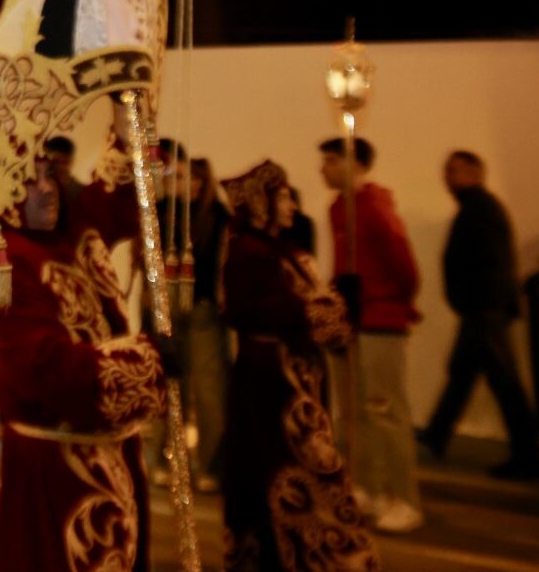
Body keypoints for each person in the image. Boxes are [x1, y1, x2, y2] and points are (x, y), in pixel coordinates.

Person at [0, 105, 168, 572]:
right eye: (30, 181)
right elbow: (45, 368)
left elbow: (119, 199)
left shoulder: (71, 232)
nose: (47, 190)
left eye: (51, 176)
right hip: (55, 472)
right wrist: (148, 359)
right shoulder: (7, 266)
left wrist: (126, 124)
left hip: (113, 455)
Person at [218, 159, 378, 571]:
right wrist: (320, 309)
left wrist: (342, 305)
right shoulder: (246, 251)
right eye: (283, 196)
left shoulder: (288, 250)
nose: (292, 203)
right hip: (268, 383)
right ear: (259, 203)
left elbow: (316, 309)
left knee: (309, 468)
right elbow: (254, 310)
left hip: (297, 379)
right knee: (279, 472)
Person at [417, 151, 539, 478]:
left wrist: (477, 305)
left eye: (453, 171)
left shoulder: (480, 209)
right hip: (483, 309)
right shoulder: (477, 208)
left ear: (474, 173)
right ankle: (436, 434)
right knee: (463, 374)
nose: (446, 177)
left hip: (484, 311)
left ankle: (529, 457)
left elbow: (489, 263)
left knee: (505, 384)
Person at [320, 136, 423, 533]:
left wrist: (386, 302)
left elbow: (404, 266)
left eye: (331, 160)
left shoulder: (377, 209)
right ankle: (368, 486)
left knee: (385, 413)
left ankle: (405, 498)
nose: (323, 169)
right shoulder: (337, 209)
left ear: (355, 163)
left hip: (380, 321)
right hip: (351, 322)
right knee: (354, 413)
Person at [146, 151, 230, 491]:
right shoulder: (165, 214)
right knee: (166, 385)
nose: (188, 184)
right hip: (168, 307)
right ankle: (160, 459)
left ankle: (210, 466)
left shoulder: (218, 216)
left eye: (194, 178)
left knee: (209, 391)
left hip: (204, 310)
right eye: (181, 177)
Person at [43, 134, 84, 211]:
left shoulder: (82, 193)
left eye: (65, 162)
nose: (60, 167)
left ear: (72, 162)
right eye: (56, 162)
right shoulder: (42, 189)